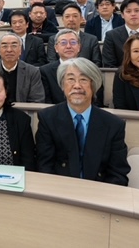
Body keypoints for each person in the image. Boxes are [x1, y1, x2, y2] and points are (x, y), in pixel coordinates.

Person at [36, 58, 131, 186]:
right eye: (70, 79)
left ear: (94, 86)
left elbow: (118, 173)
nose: (77, 86)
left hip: (99, 193)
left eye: (83, 79)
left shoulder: (113, 124)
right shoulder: (47, 118)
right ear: (63, 85)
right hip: (59, 191)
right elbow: (44, 167)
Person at [41, 29, 104, 106]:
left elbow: (97, 99)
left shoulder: (91, 69)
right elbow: (46, 101)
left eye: (73, 42)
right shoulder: (45, 71)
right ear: (56, 48)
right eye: (63, 43)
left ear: (79, 47)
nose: (68, 46)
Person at [0, 33, 45, 103]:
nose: (9, 50)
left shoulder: (32, 72)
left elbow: (37, 100)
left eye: (14, 46)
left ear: (20, 50)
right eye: (5, 46)